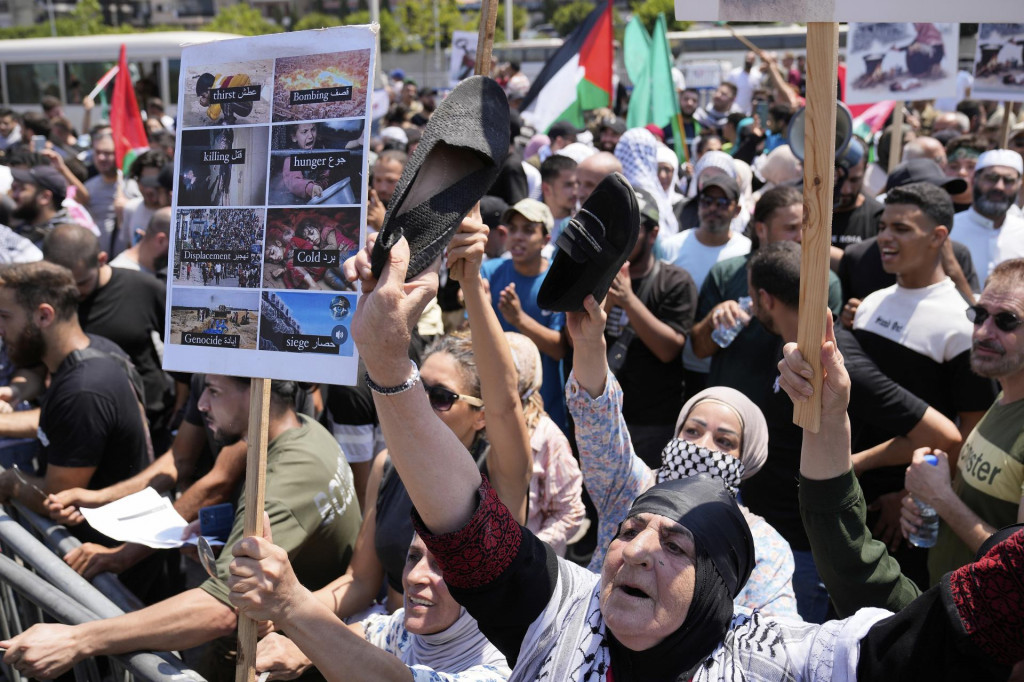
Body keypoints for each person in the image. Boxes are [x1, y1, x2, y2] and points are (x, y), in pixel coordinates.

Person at [329, 236, 1024, 682]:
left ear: (725, 579)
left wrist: (832, 416)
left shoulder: (781, 654)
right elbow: (464, 524)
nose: (634, 551)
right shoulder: (566, 613)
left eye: (677, 543)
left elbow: (942, 635)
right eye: (630, 530)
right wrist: (390, 365)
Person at [1, 375, 362, 681]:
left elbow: (220, 608)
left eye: (214, 392)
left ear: (256, 391)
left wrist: (78, 640)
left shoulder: (284, 483)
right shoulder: (304, 428)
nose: (201, 404)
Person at [567, 259, 798, 619]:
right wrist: (588, 344)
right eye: (692, 431)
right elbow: (598, 421)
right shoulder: (631, 489)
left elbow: (771, 637)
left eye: (724, 441)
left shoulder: (763, 545)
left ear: (747, 458)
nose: (701, 446)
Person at [844, 182, 995, 589]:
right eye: (884, 226)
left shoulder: (961, 325)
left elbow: (968, 434)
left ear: (939, 237)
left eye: (902, 228)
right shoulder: (871, 304)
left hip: (910, 517)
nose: (886, 238)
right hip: (851, 494)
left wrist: (915, 496)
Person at [231, 532, 511, 681]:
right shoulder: (409, 629)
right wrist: (301, 650)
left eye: (443, 566)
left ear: (482, 583)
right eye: (414, 557)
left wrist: (291, 604)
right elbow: (368, 632)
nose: (413, 577)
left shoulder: (502, 671)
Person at [901, 258, 1024, 584]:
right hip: (949, 606)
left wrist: (942, 496)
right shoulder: (1004, 394)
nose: (983, 331)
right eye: (979, 315)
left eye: (1007, 321)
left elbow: (1019, 570)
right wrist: (929, 505)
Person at [44, 224, 178, 453]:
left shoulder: (143, 288)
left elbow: (179, 352)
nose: (72, 293)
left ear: (102, 259)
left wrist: (179, 412)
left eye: (82, 283)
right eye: (63, 285)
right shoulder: (48, 300)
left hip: (149, 421)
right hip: (76, 420)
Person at [603, 187, 696, 465]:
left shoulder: (675, 282)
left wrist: (628, 300)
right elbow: (574, 343)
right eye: (618, 225)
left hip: (653, 423)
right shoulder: (595, 277)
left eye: (633, 227)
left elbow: (669, 349)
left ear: (653, 234)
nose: (622, 234)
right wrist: (604, 303)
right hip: (602, 417)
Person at [480, 199, 568, 431]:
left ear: (546, 240)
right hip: (496, 406)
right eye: (513, 229)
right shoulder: (489, 271)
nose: (518, 236)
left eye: (528, 230)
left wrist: (519, 319)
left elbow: (559, 349)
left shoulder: (557, 283)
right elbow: (469, 337)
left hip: (546, 410)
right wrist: (479, 306)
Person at [950, 149, 1024, 285]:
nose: (999, 187)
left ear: (1019, 185)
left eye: (1008, 181)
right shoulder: (949, 229)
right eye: (991, 178)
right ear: (974, 180)